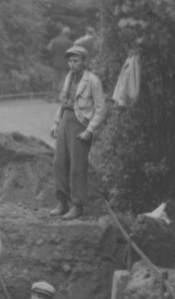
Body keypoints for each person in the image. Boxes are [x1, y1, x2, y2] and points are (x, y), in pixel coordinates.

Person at [50, 45, 107, 220]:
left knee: (77, 166)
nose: (72, 64)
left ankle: (78, 205)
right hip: (65, 120)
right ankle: (62, 202)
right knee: (59, 163)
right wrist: (55, 122)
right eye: (70, 60)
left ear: (84, 61)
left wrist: (90, 130)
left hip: (80, 123)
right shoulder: (68, 77)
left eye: (76, 60)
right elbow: (63, 102)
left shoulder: (93, 81)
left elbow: (101, 108)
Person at [47, 27, 74, 100]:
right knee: (64, 80)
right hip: (66, 65)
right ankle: (62, 98)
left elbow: (50, 50)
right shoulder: (70, 43)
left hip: (56, 64)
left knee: (56, 80)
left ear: (62, 33)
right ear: (69, 34)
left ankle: (56, 97)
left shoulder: (55, 41)